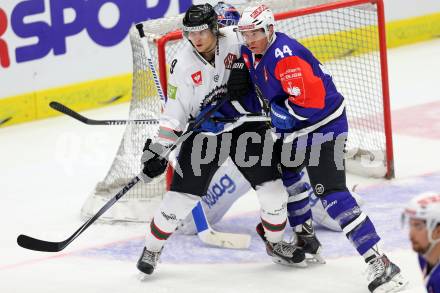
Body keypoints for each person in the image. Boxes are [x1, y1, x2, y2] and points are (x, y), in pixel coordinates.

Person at [227, 4, 408, 292]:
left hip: (324, 128)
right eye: (245, 34)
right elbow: (237, 45)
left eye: (256, 33)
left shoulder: (286, 58)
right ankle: (306, 240)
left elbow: (309, 106)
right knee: (288, 172)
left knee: (332, 194)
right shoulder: (251, 51)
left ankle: (381, 261)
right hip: (297, 131)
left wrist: (274, 114)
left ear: (270, 29)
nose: (250, 39)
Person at [136, 3, 306, 276]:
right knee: (179, 199)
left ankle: (275, 244)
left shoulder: (238, 38)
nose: (197, 38)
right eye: (191, 33)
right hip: (206, 134)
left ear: (215, 28)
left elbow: (264, 50)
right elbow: (175, 113)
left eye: (202, 31)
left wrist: (247, 74)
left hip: (245, 128)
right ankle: (152, 248)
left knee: (274, 191)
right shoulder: (182, 64)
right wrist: (159, 149)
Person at [402, 192, 440, 292]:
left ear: (438, 231)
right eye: (411, 225)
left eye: (418, 226)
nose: (411, 234)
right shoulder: (425, 253)